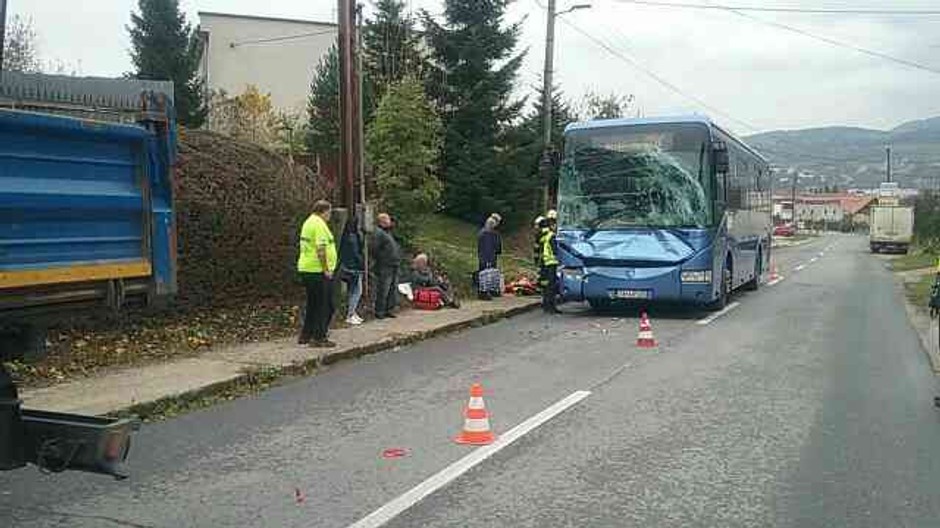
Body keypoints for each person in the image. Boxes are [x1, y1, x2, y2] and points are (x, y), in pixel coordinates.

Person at [297, 200, 338, 347]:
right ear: (324, 211)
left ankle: (306, 335)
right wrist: (326, 269)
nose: (330, 216)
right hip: (317, 270)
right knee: (326, 305)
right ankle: (319, 337)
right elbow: (321, 249)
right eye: (329, 212)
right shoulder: (319, 224)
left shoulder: (308, 222)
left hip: (307, 268)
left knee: (313, 303)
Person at [372, 212, 402, 319]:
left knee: (392, 289)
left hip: (394, 264)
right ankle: (380, 311)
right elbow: (374, 249)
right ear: (383, 221)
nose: (390, 222)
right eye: (388, 220)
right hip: (385, 265)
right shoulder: (379, 233)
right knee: (383, 288)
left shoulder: (388, 232)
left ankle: (389, 309)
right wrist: (382, 258)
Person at [339, 215, 365, 326]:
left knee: (351, 290)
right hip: (354, 267)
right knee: (357, 291)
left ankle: (352, 312)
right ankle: (350, 314)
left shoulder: (345, 236)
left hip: (346, 266)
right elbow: (356, 254)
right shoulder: (353, 237)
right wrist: (362, 264)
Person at [540, 210, 561, 314]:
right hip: (551, 263)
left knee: (547, 286)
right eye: (555, 225)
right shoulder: (552, 236)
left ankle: (546, 306)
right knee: (551, 287)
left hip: (545, 262)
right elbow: (555, 251)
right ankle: (551, 307)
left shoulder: (545, 235)